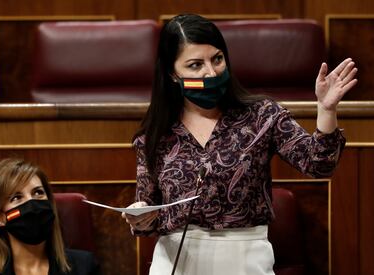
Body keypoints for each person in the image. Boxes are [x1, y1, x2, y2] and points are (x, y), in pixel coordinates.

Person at [121, 14, 358, 275]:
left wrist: (326, 109)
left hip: (244, 258)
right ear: (172, 74)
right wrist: (139, 216)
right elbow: (146, 216)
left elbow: (319, 165)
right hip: (176, 260)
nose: (210, 73)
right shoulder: (154, 134)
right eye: (195, 65)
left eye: (217, 59)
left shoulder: (262, 115)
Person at [0, 158, 100, 275]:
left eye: (38, 193)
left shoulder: (84, 266)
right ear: (0, 217)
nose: (32, 203)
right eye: (17, 198)